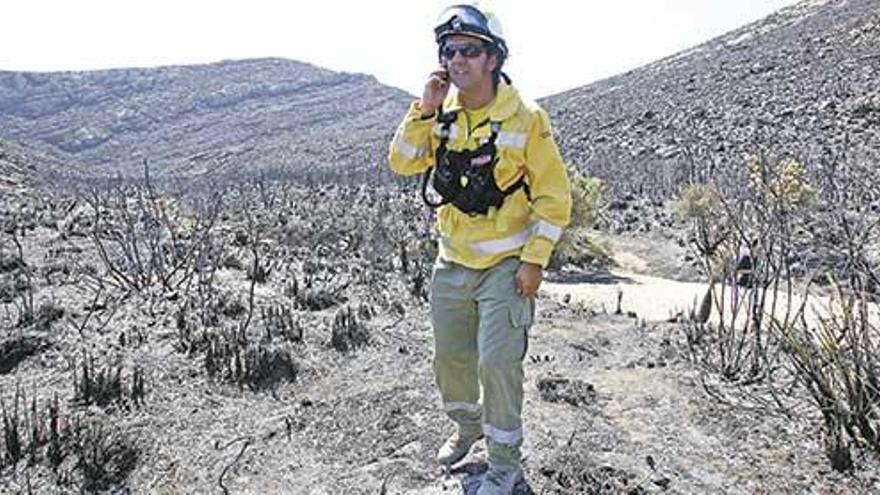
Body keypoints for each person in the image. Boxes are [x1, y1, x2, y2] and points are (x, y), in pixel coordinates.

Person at [388, 4, 572, 493]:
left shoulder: (526, 118)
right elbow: (403, 163)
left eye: (469, 51)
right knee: (450, 359)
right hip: (451, 262)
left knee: (497, 362)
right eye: (449, 52)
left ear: (493, 58)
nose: (457, 61)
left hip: (506, 267)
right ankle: (467, 428)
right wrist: (424, 108)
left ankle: (506, 464)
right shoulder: (441, 116)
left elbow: (555, 198)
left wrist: (534, 261)